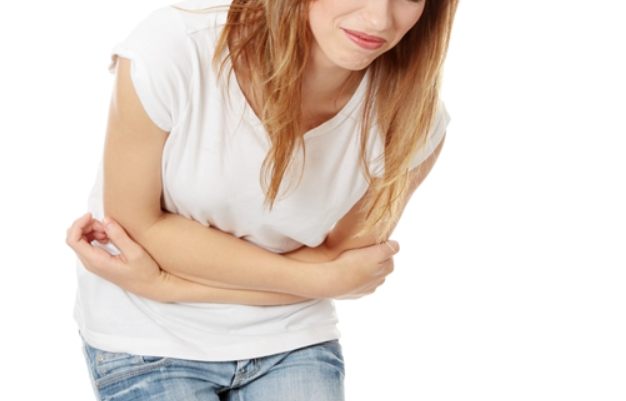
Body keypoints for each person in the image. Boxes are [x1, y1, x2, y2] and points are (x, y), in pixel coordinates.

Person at [66, 0, 459, 399]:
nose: (379, 19)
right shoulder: (176, 46)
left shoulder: (415, 118)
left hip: (290, 335)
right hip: (146, 333)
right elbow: (138, 228)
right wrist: (322, 280)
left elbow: (343, 262)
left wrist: (164, 283)